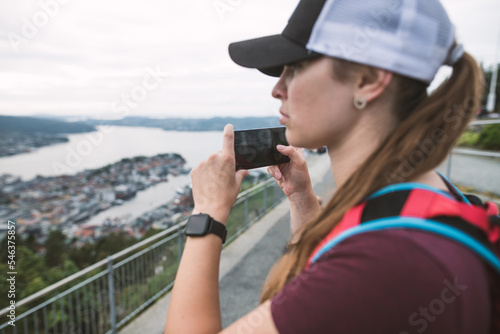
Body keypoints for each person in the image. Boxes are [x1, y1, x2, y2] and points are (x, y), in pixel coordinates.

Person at [165, 0, 500, 333]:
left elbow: (340, 287)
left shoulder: (383, 265)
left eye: (294, 68)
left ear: (367, 80)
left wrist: (207, 216)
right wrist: (303, 202)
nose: (277, 88)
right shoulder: (440, 201)